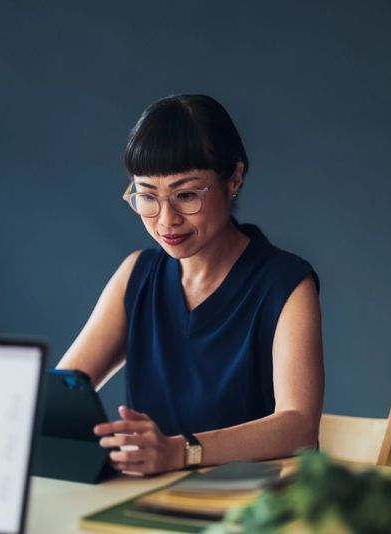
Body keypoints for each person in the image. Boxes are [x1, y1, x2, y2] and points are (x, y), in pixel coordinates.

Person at [57, 94, 324, 475]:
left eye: (186, 195)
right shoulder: (138, 274)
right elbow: (62, 392)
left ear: (234, 178)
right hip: (148, 498)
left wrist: (178, 451)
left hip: (253, 506)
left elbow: (298, 425)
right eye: (147, 196)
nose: (166, 220)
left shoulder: (285, 283)